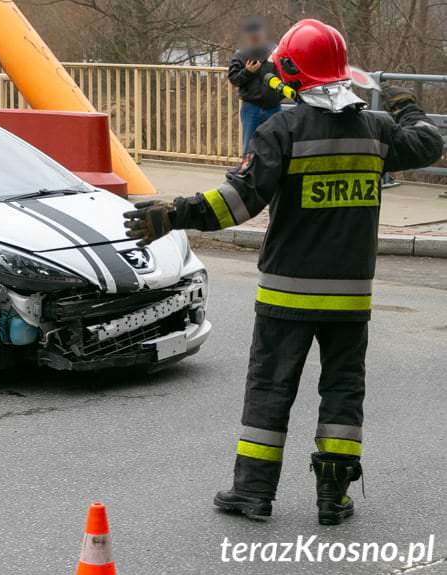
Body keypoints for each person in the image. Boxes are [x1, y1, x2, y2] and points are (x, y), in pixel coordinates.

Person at [123, 19, 443, 525]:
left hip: (287, 296)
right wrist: (405, 103)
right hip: (350, 298)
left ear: (294, 72)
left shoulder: (283, 130)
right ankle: (332, 499)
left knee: (271, 388)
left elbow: (236, 203)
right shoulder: (377, 132)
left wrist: (174, 213)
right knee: (342, 391)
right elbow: (426, 143)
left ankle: (252, 494)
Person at [228, 17, 285, 154]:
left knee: (276, 146)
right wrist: (247, 72)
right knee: (249, 147)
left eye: (257, 34)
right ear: (247, 36)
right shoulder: (241, 55)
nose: (255, 37)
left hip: (274, 107)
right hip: (251, 108)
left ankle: (273, 174)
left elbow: (287, 74)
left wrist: (280, 94)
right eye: (252, 34)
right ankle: (248, 173)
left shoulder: (276, 52)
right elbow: (234, 79)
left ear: (263, 34)